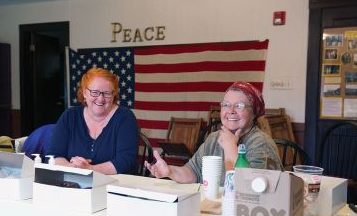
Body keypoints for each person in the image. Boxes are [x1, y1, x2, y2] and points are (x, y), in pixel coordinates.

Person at [144, 81, 282, 183]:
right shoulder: (214, 138)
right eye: (226, 105)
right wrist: (170, 171)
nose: (231, 110)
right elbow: (193, 172)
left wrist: (230, 147)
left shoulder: (260, 142)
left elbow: (253, 188)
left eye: (239, 106)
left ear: (254, 114)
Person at [47, 67, 139, 174]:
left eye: (107, 93)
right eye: (94, 92)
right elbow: (54, 155)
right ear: (84, 93)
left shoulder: (125, 117)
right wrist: (72, 167)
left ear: (114, 95)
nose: (100, 99)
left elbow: (125, 161)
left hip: (115, 184)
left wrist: (88, 170)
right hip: (72, 182)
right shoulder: (70, 116)